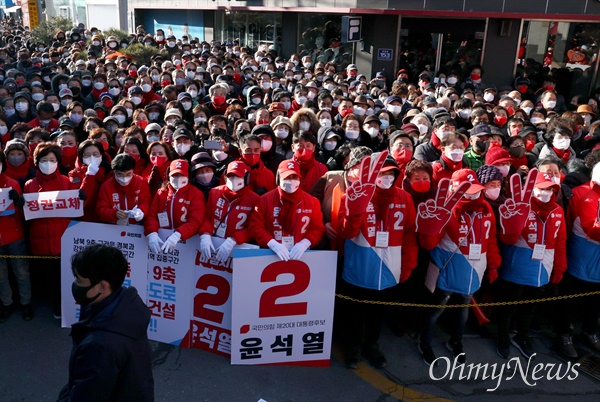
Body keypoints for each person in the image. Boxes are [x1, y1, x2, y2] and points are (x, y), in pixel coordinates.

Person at [337, 152, 418, 368]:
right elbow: (345, 232)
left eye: (392, 173)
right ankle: (354, 347)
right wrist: (354, 213)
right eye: (382, 173)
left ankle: (372, 345)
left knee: (377, 313)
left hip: (390, 267)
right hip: (360, 265)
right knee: (356, 312)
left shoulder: (404, 197)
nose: (387, 177)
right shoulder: (354, 194)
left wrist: (408, 264)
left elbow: (410, 233)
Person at [417, 169, 501, 365]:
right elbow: (429, 244)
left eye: (476, 190)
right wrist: (430, 228)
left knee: (463, 309)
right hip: (448, 269)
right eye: (467, 190)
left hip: (474, 270)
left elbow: (491, 240)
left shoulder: (486, 209)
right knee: (437, 309)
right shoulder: (447, 209)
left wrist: (494, 265)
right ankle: (425, 343)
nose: (473, 194)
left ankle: (456, 341)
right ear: (455, 189)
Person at [57, 244, 154, 401]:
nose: (75, 285)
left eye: (79, 280)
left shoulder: (100, 345)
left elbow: (86, 394)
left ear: (102, 286)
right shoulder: (125, 305)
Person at [250, 160, 325, 261]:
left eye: (294, 177)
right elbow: (256, 226)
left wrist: (305, 243)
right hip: (270, 255)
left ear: (300, 178)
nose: (291, 181)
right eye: (287, 177)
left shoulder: (312, 202)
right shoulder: (265, 200)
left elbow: (318, 228)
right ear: (278, 178)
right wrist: (271, 243)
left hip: (302, 256)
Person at [199, 161, 261, 264]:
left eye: (238, 176)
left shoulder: (255, 199)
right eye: (230, 176)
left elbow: (254, 228)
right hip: (214, 243)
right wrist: (205, 234)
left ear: (246, 178)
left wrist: (234, 240)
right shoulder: (215, 192)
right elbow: (207, 217)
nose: (233, 180)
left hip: (239, 248)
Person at [145, 159, 205, 254]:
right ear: (168, 175)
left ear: (188, 175)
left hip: (186, 243)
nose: (178, 178)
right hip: (161, 241)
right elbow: (152, 215)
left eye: (182, 175)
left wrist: (178, 234)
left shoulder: (196, 194)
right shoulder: (161, 192)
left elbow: (195, 221)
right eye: (175, 175)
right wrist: (152, 232)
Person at [0, 149, 32, 322]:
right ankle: (7, 303)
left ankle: (26, 302)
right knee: (1, 275)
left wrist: (18, 202)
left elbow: (21, 214)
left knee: (21, 272)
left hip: (15, 235)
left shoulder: (13, 183)